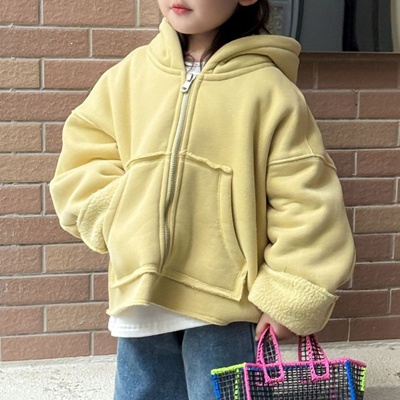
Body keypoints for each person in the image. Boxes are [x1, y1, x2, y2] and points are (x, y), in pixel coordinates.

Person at [50, 0, 356, 399]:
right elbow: (84, 156)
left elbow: (306, 201)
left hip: (225, 309)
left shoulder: (269, 91)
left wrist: (288, 294)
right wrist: (115, 215)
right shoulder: (130, 75)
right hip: (140, 296)